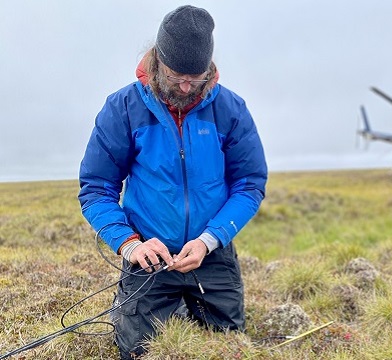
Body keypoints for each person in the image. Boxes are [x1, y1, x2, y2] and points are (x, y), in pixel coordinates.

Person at [78, 5, 267, 359]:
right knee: (139, 351)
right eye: (177, 74)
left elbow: (249, 184)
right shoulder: (122, 108)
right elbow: (96, 189)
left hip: (211, 252)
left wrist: (210, 240)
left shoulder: (231, 109)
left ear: (209, 68)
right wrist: (130, 245)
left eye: (196, 77)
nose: (186, 86)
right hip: (148, 255)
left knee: (229, 347)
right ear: (157, 61)